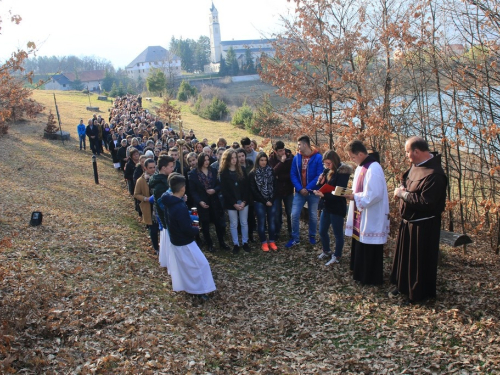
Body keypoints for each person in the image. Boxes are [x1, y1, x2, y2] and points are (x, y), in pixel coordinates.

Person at [390, 137, 448, 303]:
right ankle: (402, 287)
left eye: (408, 152)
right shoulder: (416, 165)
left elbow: (426, 202)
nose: (407, 155)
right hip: (409, 222)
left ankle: (417, 294)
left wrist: (403, 194)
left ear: (416, 151)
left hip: (424, 226)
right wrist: (402, 187)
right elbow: (405, 178)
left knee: (418, 263)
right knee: (405, 259)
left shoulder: (435, 175)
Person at [162, 174, 216, 300]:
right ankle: (200, 289)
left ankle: (193, 287)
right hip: (184, 242)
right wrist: (195, 229)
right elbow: (185, 228)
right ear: (182, 188)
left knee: (188, 265)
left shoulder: (170, 200)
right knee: (200, 264)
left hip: (177, 240)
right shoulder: (179, 207)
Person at [344, 140, 390, 285]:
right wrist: (350, 193)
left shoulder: (374, 168)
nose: (352, 160)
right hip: (362, 212)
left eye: (353, 157)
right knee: (360, 242)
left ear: (361, 154)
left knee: (369, 245)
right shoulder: (361, 167)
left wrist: (354, 197)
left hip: (371, 214)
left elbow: (375, 194)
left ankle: (370, 277)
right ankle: (359, 273)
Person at [313, 150, 352, 265]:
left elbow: (340, 192)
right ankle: (326, 250)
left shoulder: (343, 173)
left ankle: (337, 255)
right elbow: (322, 187)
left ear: (334, 161)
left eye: (329, 163)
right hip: (326, 205)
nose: (327, 166)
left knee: (337, 233)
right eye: (325, 164)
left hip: (337, 207)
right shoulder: (326, 171)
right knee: (322, 231)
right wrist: (320, 183)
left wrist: (324, 195)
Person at [286, 135, 324, 248]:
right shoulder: (297, 158)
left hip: (313, 192)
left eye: (299, 144)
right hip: (299, 192)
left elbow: (319, 175)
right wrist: (300, 188)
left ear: (305, 144)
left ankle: (312, 236)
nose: (298, 147)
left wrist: (307, 189)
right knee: (294, 214)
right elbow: (293, 174)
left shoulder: (318, 157)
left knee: (312, 215)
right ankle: (295, 238)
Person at [188, 153, 229, 252]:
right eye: (205, 160)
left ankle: (221, 242)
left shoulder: (213, 171)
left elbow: (219, 185)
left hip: (214, 201)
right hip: (202, 203)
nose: (207, 162)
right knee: (205, 225)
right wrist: (200, 201)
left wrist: (214, 190)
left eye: (208, 160)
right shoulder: (193, 174)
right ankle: (209, 244)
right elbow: (193, 191)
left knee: (218, 224)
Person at [219, 149, 251, 254]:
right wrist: (234, 203)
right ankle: (236, 243)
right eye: (231, 158)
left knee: (244, 222)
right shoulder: (224, 173)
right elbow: (225, 191)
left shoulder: (241, 169)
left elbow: (247, 188)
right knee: (233, 223)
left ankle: (245, 242)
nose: (234, 160)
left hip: (243, 201)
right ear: (227, 159)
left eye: (235, 157)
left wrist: (244, 202)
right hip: (231, 203)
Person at [149, 156, 175, 270]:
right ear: (163, 168)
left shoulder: (164, 179)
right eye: (171, 167)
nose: (173, 169)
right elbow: (162, 204)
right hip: (167, 218)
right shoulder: (160, 184)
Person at [249, 152, 278, 252]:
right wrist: (264, 201)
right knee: (261, 222)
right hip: (259, 201)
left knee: (272, 222)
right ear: (258, 161)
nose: (263, 162)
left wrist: (271, 199)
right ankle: (263, 242)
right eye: (261, 160)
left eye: (265, 160)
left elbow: (275, 186)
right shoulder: (253, 173)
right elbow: (253, 190)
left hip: (271, 199)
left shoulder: (271, 171)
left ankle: (272, 241)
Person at [268, 140, 294, 240]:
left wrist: (280, 177)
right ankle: (277, 231)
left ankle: (291, 231)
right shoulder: (271, 159)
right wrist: (281, 162)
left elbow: (292, 174)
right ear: (275, 151)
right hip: (277, 191)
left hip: (288, 189)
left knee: (290, 211)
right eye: (280, 151)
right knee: (277, 212)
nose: (282, 152)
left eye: (283, 150)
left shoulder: (290, 158)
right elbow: (273, 173)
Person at [134, 158, 159, 254]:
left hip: (159, 207)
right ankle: (156, 247)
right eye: (150, 168)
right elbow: (136, 194)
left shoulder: (158, 177)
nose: (153, 170)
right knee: (153, 229)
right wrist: (146, 199)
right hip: (149, 208)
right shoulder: (141, 180)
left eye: (154, 167)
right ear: (145, 168)